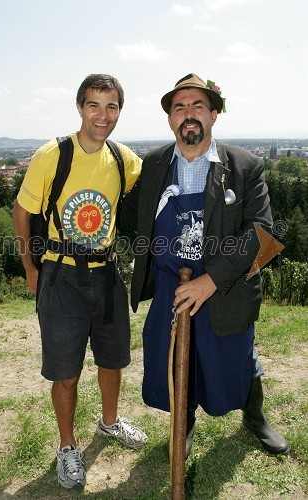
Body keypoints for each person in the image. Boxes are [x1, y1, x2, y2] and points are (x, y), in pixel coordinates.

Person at [120, 73, 288, 459]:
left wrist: (210, 281)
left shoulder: (245, 166)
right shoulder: (156, 163)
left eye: (197, 105)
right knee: (177, 357)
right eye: (180, 107)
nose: (188, 114)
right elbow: (129, 214)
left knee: (239, 355)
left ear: (214, 114)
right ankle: (186, 421)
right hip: (170, 289)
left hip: (224, 287)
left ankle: (255, 417)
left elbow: (263, 232)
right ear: (170, 119)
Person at [13, 74, 148, 491]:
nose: (102, 115)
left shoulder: (123, 159)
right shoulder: (52, 156)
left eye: (111, 107)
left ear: (119, 112)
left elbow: (155, 189)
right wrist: (31, 268)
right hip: (61, 272)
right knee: (66, 370)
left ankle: (109, 422)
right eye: (94, 105)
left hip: (107, 273)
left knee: (112, 359)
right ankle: (68, 446)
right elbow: (22, 214)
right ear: (79, 107)